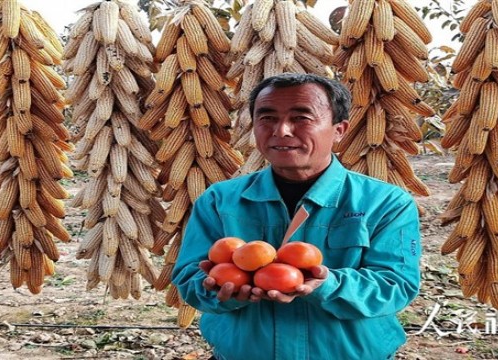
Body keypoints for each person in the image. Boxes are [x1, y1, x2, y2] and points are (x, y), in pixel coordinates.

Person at [171, 73, 421, 360]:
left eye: (301, 118)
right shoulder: (220, 200)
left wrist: (326, 284)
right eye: (267, 118)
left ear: (339, 130)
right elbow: (189, 277)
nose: (282, 130)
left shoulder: (386, 203)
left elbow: (396, 285)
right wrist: (218, 292)